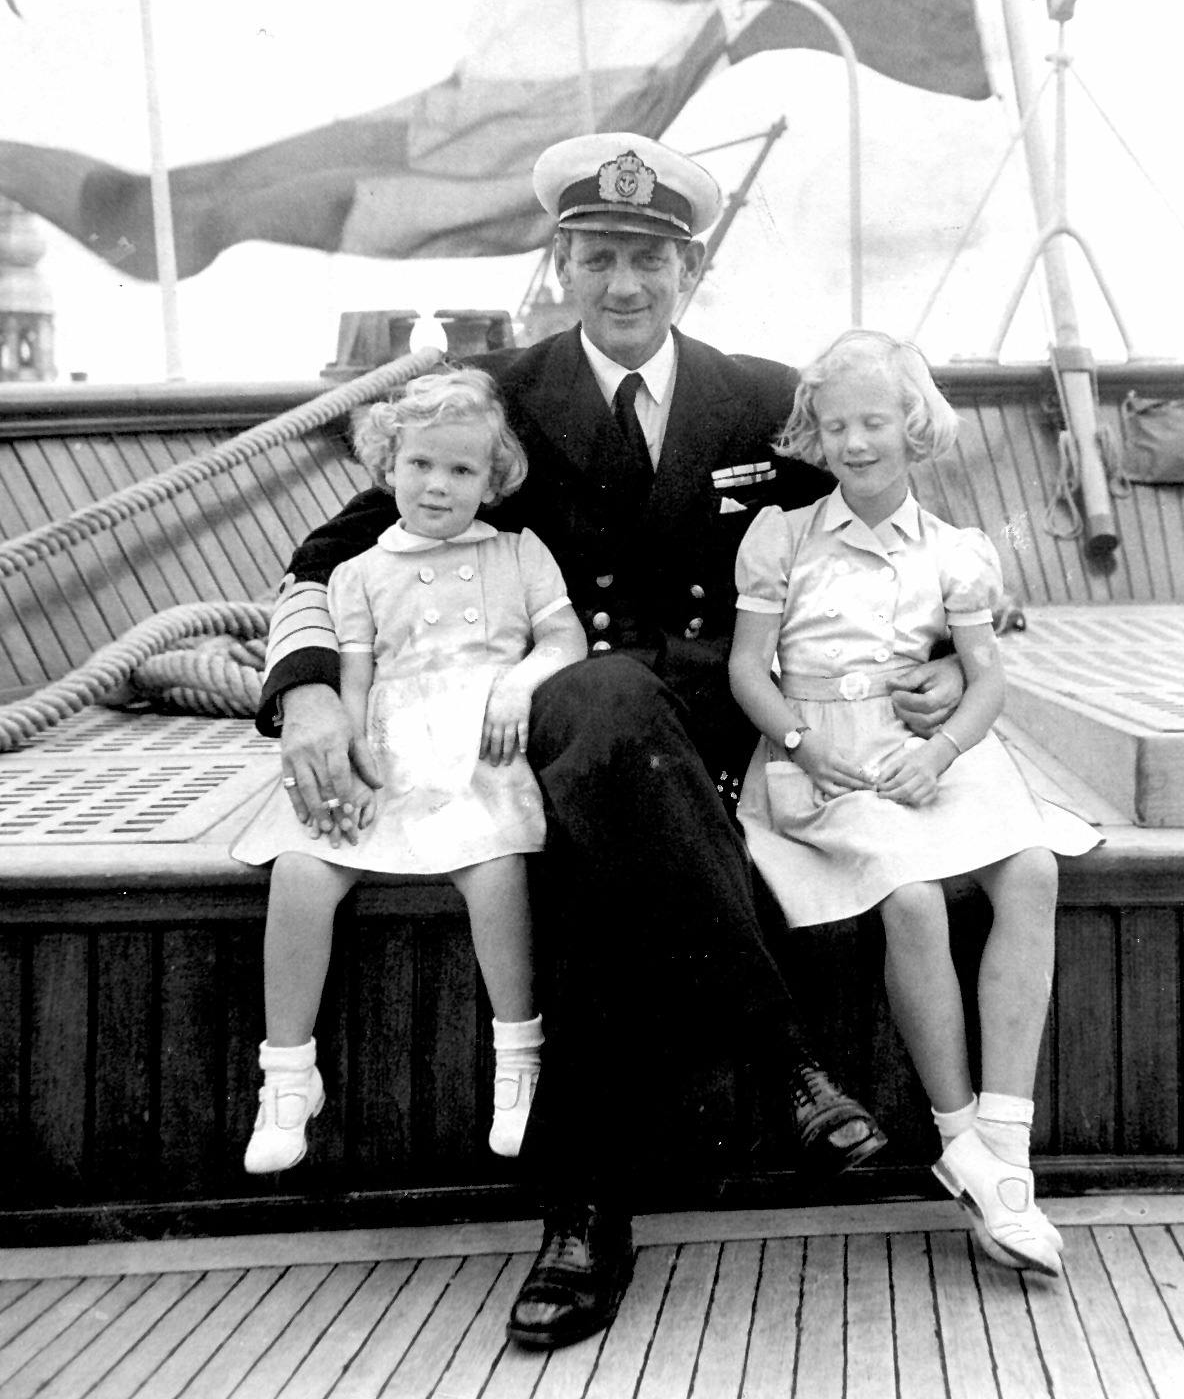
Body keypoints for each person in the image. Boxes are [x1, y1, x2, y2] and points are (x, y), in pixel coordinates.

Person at [256, 134, 962, 1350]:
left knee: (600, 858)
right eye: (596, 258)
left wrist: (944, 651)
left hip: (721, 723)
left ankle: (585, 1221)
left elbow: (883, 530)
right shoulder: (494, 398)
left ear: (688, 269)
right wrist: (310, 693)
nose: (622, 284)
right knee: (602, 721)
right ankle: (781, 1058)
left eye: (647, 259)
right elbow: (323, 558)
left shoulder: (762, 399)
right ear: (560, 265)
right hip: (561, 706)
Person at [728, 329, 1100, 1278]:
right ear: (815, 435)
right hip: (822, 757)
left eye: (874, 422)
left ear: (911, 426)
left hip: (926, 754)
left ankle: (1001, 1146)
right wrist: (801, 744)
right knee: (912, 894)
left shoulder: (956, 551)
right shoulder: (781, 537)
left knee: (1031, 867)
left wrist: (939, 753)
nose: (855, 442)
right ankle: (956, 1130)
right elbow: (746, 669)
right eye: (835, 426)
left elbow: (985, 680)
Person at [234, 368, 587, 1172]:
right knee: (301, 867)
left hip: (477, 752)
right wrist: (353, 755)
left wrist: (518, 684)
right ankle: (287, 1075)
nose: (436, 485)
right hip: (392, 749)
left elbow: (562, 638)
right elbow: (355, 678)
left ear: (492, 481)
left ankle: (518, 1059)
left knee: (494, 867)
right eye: (419, 464)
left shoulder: (517, 553)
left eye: (461, 470)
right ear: (387, 466)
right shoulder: (356, 571)